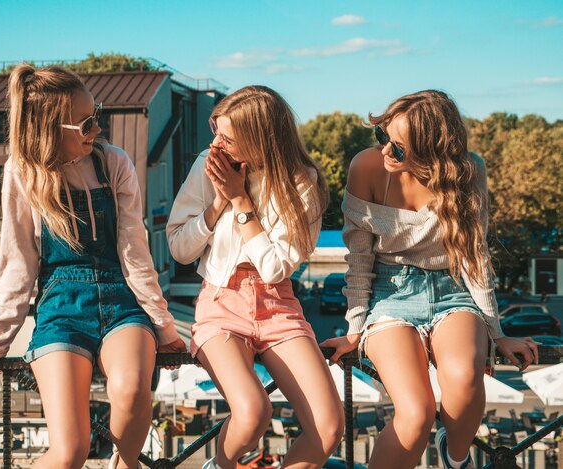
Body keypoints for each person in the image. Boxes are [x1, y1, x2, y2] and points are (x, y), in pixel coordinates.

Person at [0, 64, 186, 469]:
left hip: (122, 299)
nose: (97, 130)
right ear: (50, 130)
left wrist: (165, 326)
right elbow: (18, 264)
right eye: (86, 124)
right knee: (70, 449)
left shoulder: (113, 164)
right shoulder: (21, 174)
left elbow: (135, 253)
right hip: (61, 306)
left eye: (97, 116)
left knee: (132, 389)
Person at [321, 90, 539, 469]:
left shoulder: (469, 171)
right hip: (390, 293)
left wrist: (497, 331)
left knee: (465, 378)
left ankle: (456, 459)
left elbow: (474, 255)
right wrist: (354, 328)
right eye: (383, 137)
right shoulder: (365, 167)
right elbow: (358, 258)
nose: (387, 151)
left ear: (435, 150)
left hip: (453, 288)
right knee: (416, 414)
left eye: (400, 148)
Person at [167, 86, 344, 469]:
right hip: (220, 301)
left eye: (227, 137)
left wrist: (241, 202)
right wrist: (217, 204)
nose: (216, 142)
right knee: (251, 413)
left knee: (328, 428)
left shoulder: (302, 182)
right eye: (216, 130)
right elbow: (179, 249)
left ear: (260, 138)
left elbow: (275, 268)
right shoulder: (207, 164)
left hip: (278, 305)